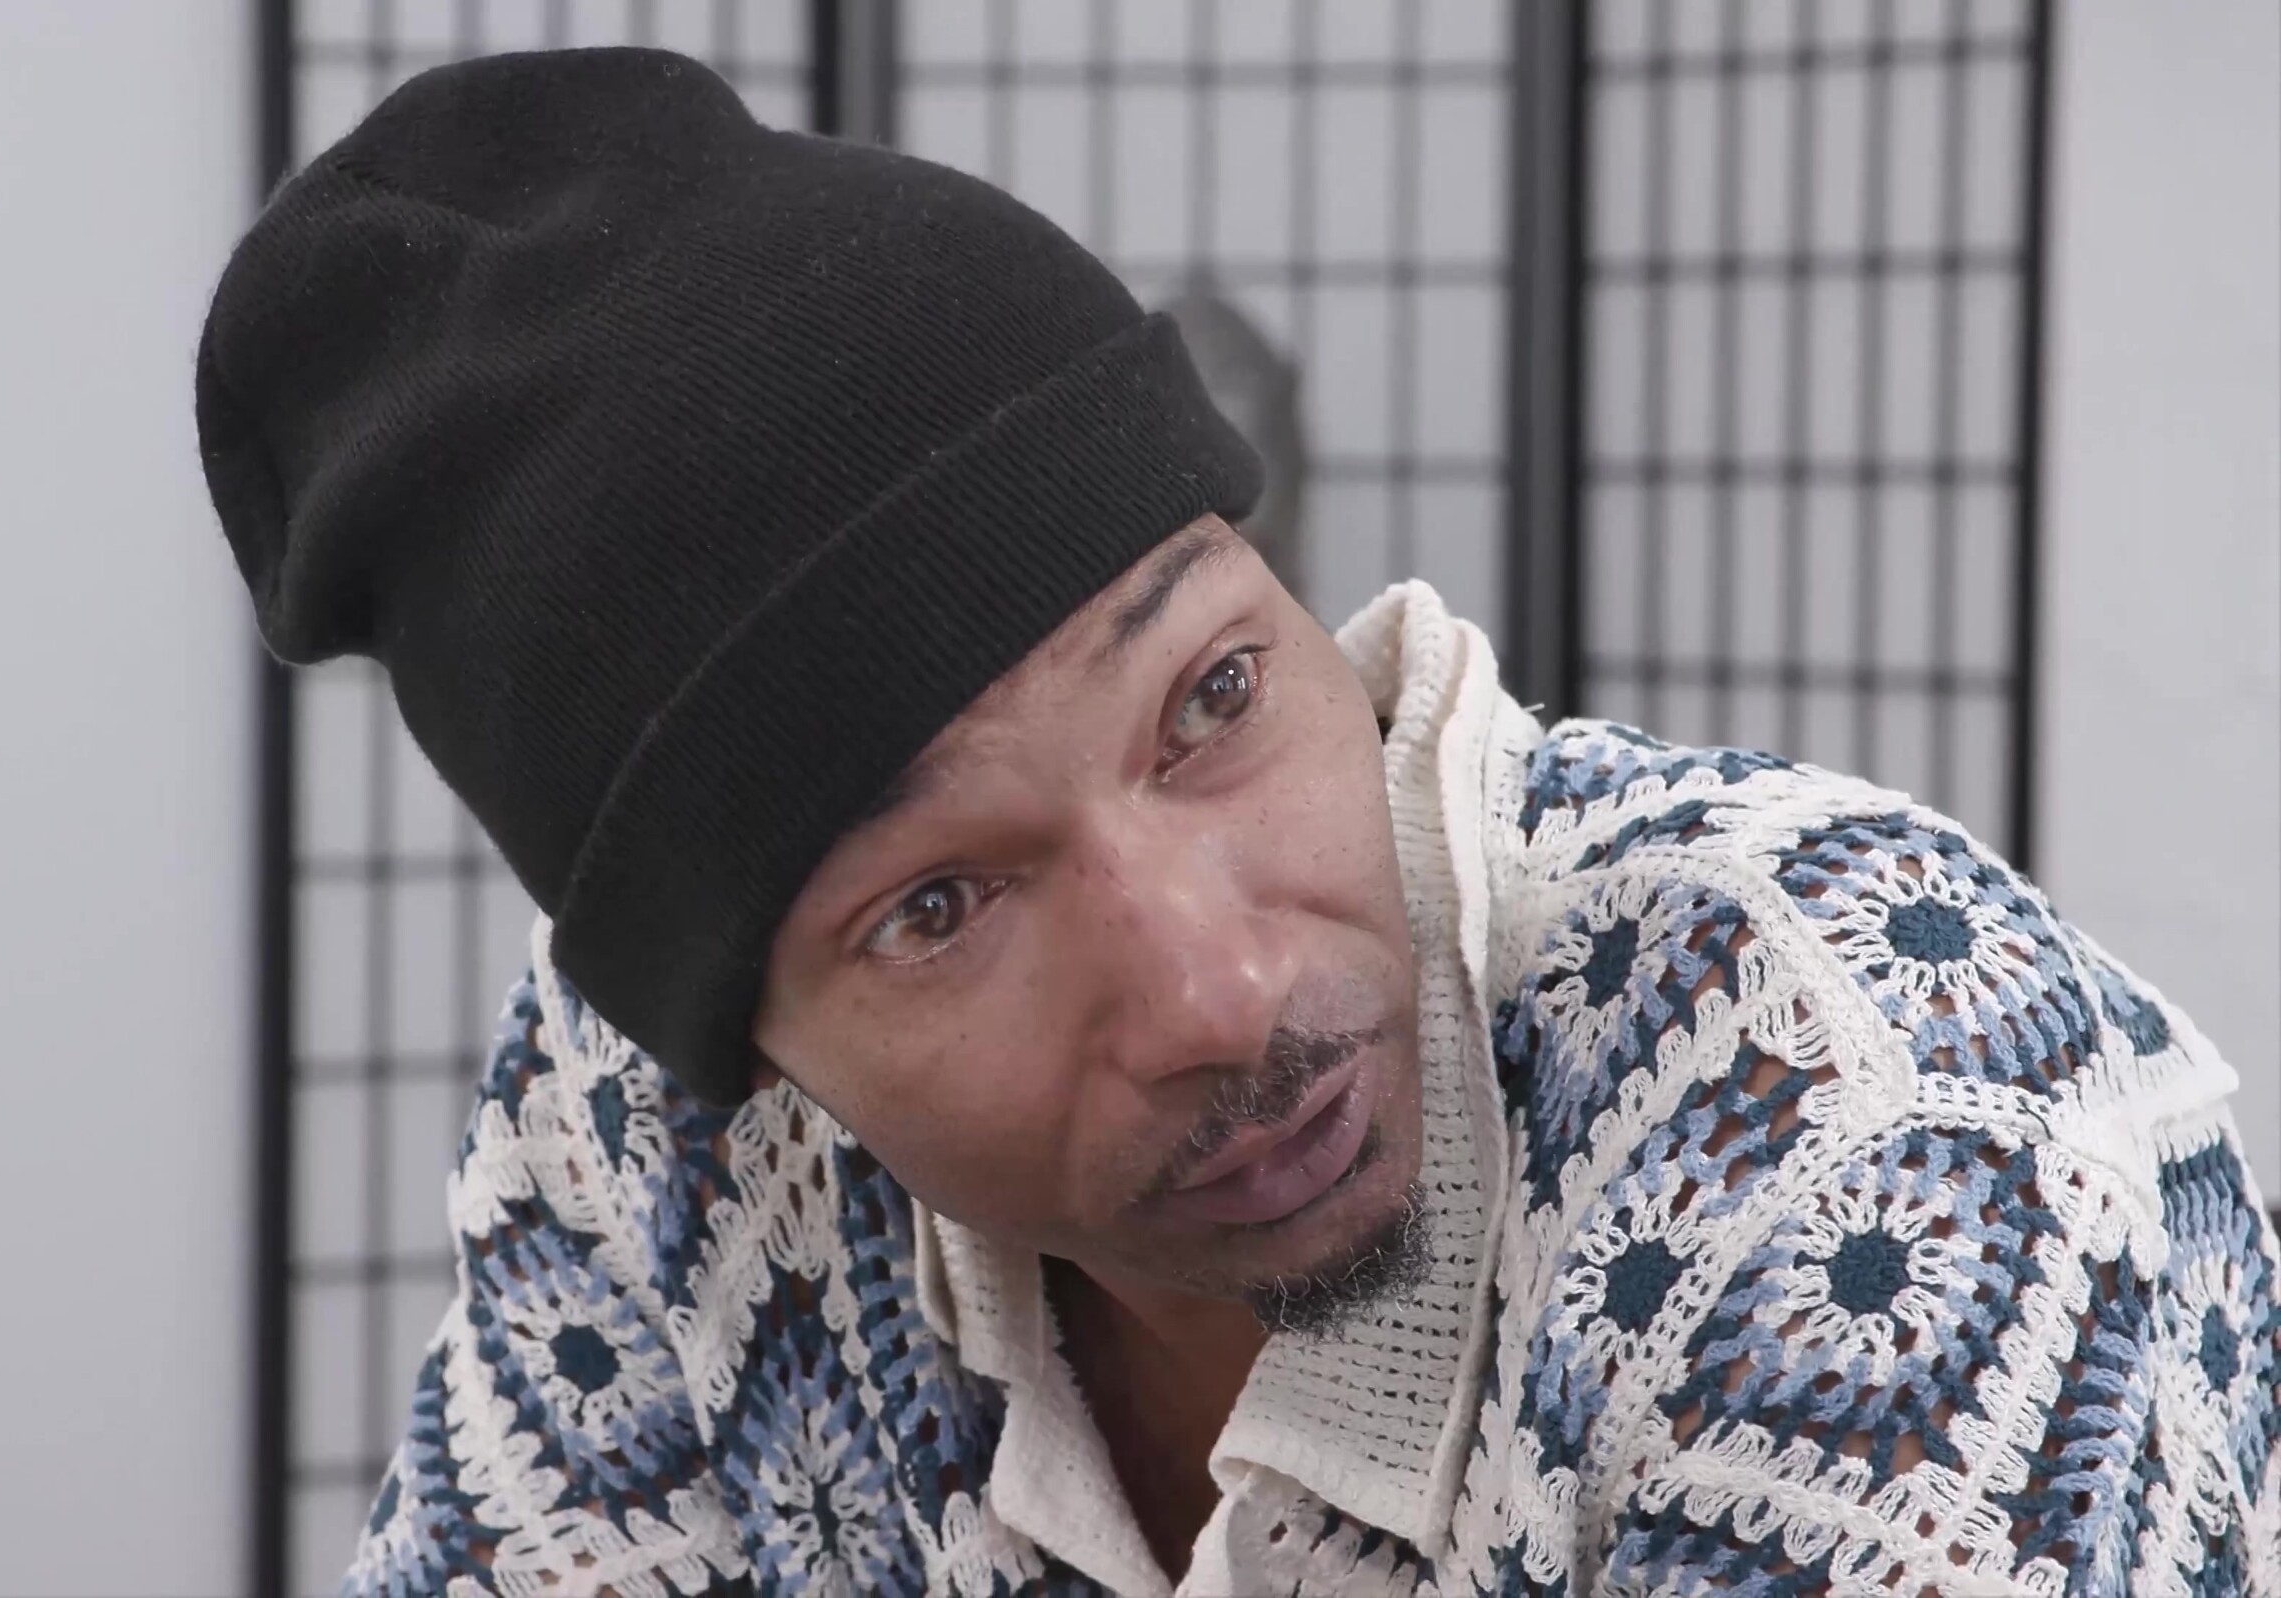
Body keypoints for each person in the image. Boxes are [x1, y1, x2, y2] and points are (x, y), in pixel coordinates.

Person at [195, 47, 2280, 1598]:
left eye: (1206, 699)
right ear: (739, 1040)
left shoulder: (1882, 1141)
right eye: (938, 905)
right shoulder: (644, 1126)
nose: (1219, 988)